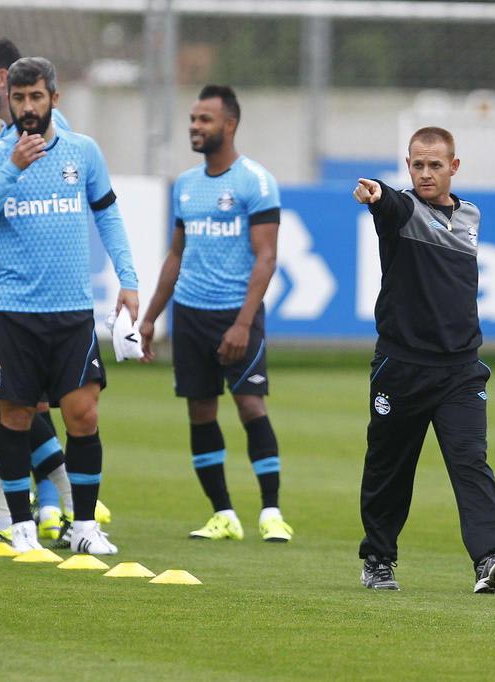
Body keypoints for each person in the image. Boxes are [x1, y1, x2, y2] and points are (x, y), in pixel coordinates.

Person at [0, 57, 137, 554]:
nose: (27, 108)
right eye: (19, 99)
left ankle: (84, 527)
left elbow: (108, 216)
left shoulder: (82, 152)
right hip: (15, 311)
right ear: (10, 102)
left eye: (36, 97)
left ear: (54, 99)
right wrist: (12, 170)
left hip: (71, 311)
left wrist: (128, 280)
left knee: (83, 415)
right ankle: (21, 527)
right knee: (17, 416)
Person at [351, 126, 495, 593]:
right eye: (417, 164)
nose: (426, 173)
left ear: (454, 166)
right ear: (408, 166)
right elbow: (389, 203)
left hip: (461, 369)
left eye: (435, 165)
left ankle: (490, 558)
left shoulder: (470, 215)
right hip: (402, 366)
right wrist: (376, 194)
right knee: (390, 467)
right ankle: (379, 560)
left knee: (471, 461)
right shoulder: (402, 211)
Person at [139, 85, 293, 544]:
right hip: (190, 315)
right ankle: (223, 514)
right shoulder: (185, 185)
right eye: (192, 119)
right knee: (201, 413)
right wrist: (150, 319)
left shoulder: (256, 182)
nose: (194, 127)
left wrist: (244, 323)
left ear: (229, 124)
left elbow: (266, 258)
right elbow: (175, 256)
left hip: (236, 313)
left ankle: (271, 512)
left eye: (204, 119)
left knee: (250, 405)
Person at [0, 37, 83, 545]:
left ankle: (57, 506)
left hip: (36, 300)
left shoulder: (65, 144)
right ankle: (11, 515)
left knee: (22, 405)